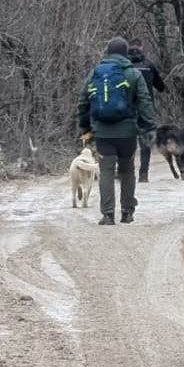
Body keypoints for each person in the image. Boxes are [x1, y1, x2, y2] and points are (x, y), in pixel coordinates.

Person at [77, 36, 156, 225]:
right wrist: (148, 126)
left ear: (107, 51)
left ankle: (108, 214)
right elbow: (145, 101)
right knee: (127, 169)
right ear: (125, 53)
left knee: (106, 171)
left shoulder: (95, 72)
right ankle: (127, 212)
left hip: (103, 132)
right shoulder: (133, 74)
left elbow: (83, 102)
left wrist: (85, 128)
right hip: (128, 131)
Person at [127, 38, 167, 182]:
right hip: (146, 108)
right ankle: (143, 174)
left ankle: (127, 171)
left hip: (127, 109)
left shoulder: (124, 66)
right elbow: (161, 87)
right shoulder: (149, 65)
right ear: (141, 47)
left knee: (127, 140)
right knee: (145, 141)